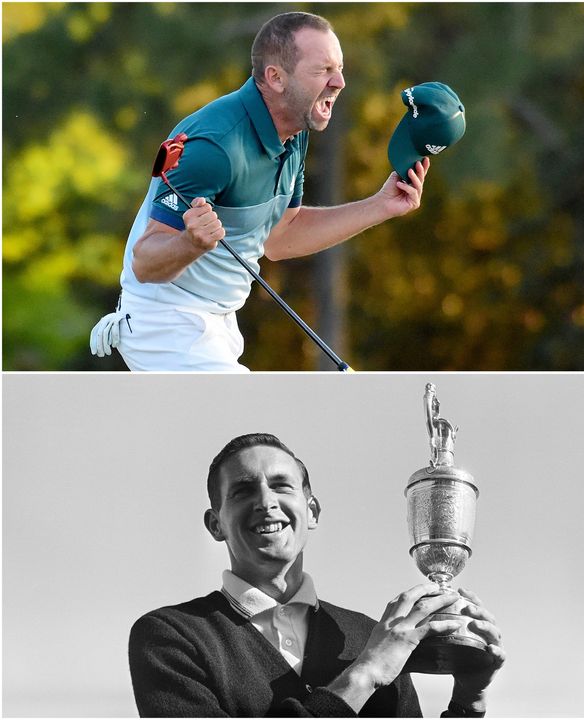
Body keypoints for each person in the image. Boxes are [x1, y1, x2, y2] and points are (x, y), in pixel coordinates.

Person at [90, 12, 429, 371]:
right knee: (256, 422)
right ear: (275, 78)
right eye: (323, 70)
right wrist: (189, 243)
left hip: (218, 325)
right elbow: (145, 262)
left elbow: (281, 238)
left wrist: (380, 206)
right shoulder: (213, 146)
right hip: (165, 324)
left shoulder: (294, 133)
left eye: (339, 68)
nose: (340, 81)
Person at [128, 433, 505, 717]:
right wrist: (363, 676)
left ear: (312, 512)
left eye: (281, 486)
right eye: (243, 491)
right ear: (215, 524)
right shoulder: (170, 636)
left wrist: (469, 700)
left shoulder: (369, 635)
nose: (265, 501)